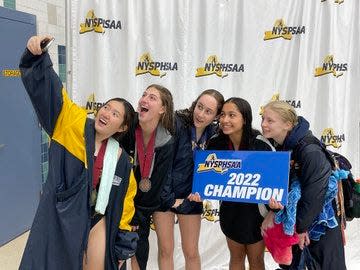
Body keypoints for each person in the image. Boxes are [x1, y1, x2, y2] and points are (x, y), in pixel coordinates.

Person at [19, 35, 138, 270]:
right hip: (62, 218)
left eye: (115, 114)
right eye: (106, 107)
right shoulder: (71, 122)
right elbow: (51, 92)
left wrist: (124, 244)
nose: (106, 113)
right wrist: (37, 57)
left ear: (122, 127)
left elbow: (126, 201)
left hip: (97, 218)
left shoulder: (121, 159)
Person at [260, 100, 346, 269]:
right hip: (299, 223)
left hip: (320, 225)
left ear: (288, 124)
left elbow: (314, 194)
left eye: (270, 120)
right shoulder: (282, 147)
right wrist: (273, 211)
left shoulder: (309, 151)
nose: (263, 124)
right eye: (263, 119)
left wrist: (300, 229)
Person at [153, 89, 224, 270]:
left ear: (216, 116)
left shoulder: (216, 134)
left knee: (191, 251)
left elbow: (217, 169)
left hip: (192, 197)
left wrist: (203, 191)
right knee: (165, 250)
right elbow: (163, 165)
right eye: (199, 107)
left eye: (208, 111)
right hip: (165, 195)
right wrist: (170, 199)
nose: (200, 114)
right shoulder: (176, 123)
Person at [200, 97, 274, 270]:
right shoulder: (215, 142)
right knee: (236, 257)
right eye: (223, 115)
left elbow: (274, 181)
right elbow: (208, 176)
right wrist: (200, 191)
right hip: (230, 211)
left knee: (256, 260)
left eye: (232, 115)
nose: (225, 120)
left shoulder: (261, 144)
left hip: (256, 213)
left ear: (245, 118)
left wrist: (273, 210)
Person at [119, 84, 175, 270]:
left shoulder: (166, 141)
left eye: (152, 97)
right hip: (124, 199)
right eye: (144, 95)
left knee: (152, 246)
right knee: (124, 247)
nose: (144, 99)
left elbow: (156, 185)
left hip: (150, 202)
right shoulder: (126, 128)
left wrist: (137, 216)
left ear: (162, 109)